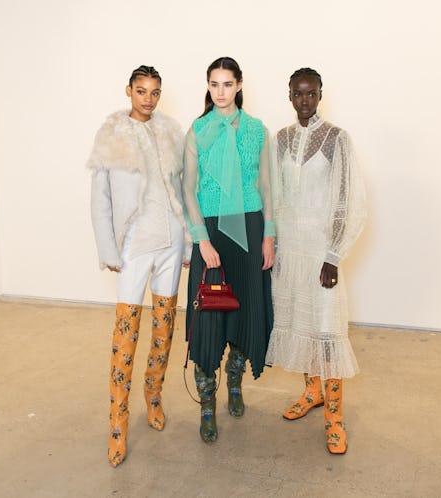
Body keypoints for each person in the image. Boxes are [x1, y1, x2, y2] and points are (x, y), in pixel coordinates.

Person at [86, 65, 190, 467]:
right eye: (141, 90)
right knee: (126, 335)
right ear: (128, 90)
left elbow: (180, 188)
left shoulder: (169, 132)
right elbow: (100, 199)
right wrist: (108, 249)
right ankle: (117, 422)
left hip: (170, 243)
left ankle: (154, 396)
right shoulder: (111, 135)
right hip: (134, 246)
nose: (148, 98)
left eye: (155, 92)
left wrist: (186, 244)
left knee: (164, 330)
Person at [265, 68, 367, 454]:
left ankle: (335, 417)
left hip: (320, 248)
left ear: (320, 94)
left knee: (326, 330)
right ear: (289, 95)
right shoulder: (282, 139)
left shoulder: (338, 139)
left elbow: (347, 199)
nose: (304, 100)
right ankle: (312, 392)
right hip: (291, 248)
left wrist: (334, 255)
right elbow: (274, 194)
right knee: (301, 322)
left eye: (311, 93)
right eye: (297, 94)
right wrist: (271, 244)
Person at [182, 56, 275, 443]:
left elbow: (267, 186)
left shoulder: (256, 130)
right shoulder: (198, 130)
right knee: (208, 316)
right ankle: (207, 404)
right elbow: (187, 188)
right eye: (214, 84)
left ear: (239, 85)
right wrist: (201, 239)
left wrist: (269, 235)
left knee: (246, 309)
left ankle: (234, 384)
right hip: (212, 233)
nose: (221, 91)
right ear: (209, 86)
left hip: (251, 229)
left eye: (227, 84)